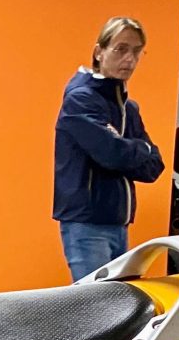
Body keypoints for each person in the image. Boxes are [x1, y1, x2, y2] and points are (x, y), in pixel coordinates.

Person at [54, 15, 165, 281]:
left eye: (136, 51)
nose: (130, 59)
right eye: (121, 49)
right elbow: (112, 154)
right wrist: (139, 148)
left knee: (120, 302)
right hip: (87, 224)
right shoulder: (80, 100)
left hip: (119, 223)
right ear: (99, 52)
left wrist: (129, 148)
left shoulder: (127, 108)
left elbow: (153, 167)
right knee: (95, 303)